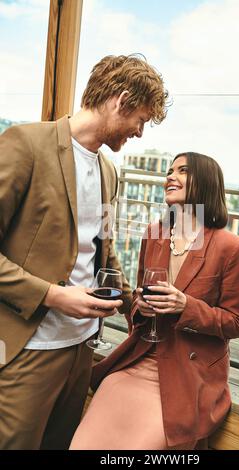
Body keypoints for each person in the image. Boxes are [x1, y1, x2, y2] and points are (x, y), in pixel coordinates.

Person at [0, 54, 168, 450]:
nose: (140, 133)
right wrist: (55, 296)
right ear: (120, 100)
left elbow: (104, 253)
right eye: (140, 119)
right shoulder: (24, 144)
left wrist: (135, 305)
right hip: (28, 349)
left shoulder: (109, 171)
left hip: (83, 350)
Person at [70, 152, 239, 450]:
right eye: (169, 171)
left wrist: (186, 307)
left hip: (187, 373)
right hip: (139, 359)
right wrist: (141, 307)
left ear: (205, 182)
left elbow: (235, 322)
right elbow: (142, 303)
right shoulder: (154, 234)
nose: (170, 176)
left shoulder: (231, 247)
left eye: (182, 170)